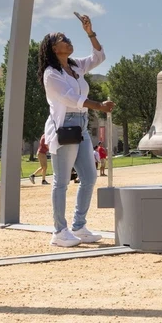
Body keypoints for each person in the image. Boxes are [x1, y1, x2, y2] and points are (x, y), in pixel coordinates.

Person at [38, 14, 113, 248]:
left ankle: (79, 226)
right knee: (61, 181)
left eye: (69, 38)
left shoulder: (75, 66)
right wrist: (99, 105)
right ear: (53, 47)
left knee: (89, 177)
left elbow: (99, 56)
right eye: (63, 39)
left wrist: (89, 32)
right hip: (65, 126)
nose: (69, 42)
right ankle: (59, 231)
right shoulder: (51, 74)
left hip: (81, 124)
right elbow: (70, 99)